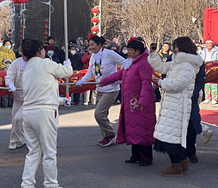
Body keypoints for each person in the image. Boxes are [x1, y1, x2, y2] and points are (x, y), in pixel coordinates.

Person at [17, 39, 73, 188]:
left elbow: (38, 92)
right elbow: (66, 72)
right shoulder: (46, 63)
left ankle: (26, 186)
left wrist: (60, 100)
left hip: (28, 112)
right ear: (40, 51)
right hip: (45, 112)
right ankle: (50, 186)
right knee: (49, 151)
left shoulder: (27, 69)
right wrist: (67, 63)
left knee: (33, 152)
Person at [148, 36, 203, 177]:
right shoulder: (177, 62)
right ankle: (181, 163)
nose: (174, 49)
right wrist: (153, 54)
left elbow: (179, 84)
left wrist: (161, 82)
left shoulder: (187, 65)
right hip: (172, 104)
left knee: (173, 136)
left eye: (176, 46)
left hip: (178, 105)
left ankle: (176, 165)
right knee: (171, 135)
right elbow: (161, 67)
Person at [100, 38, 156, 166]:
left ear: (137, 51)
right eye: (128, 49)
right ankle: (135, 155)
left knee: (142, 129)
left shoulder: (143, 64)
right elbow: (119, 75)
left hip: (140, 103)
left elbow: (146, 83)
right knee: (132, 129)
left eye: (130, 50)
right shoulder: (130, 63)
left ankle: (146, 157)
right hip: (131, 102)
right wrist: (104, 81)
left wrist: (143, 101)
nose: (128, 52)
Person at [76, 35, 125, 146]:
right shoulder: (93, 56)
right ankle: (106, 137)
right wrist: (82, 81)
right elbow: (90, 72)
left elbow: (124, 63)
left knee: (99, 114)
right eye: (89, 45)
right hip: (99, 88)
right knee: (103, 114)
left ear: (99, 44)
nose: (90, 47)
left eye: (93, 44)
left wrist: (118, 78)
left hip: (111, 89)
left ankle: (110, 135)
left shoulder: (109, 53)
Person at [5, 44, 29, 150]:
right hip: (18, 96)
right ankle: (16, 140)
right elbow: (9, 75)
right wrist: (10, 84)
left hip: (31, 97)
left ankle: (29, 139)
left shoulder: (36, 63)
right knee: (15, 120)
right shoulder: (16, 63)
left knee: (19, 118)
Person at [186, 58, 208, 163]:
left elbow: (200, 80)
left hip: (192, 97)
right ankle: (180, 155)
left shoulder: (197, 61)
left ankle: (191, 151)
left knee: (192, 125)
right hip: (177, 97)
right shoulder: (172, 58)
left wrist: (193, 92)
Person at [201, 39, 218, 104]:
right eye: (208, 44)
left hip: (213, 68)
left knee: (214, 84)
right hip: (205, 68)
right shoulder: (203, 51)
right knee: (206, 84)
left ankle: (214, 98)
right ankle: (207, 98)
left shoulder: (216, 51)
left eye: (210, 44)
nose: (209, 45)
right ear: (206, 45)